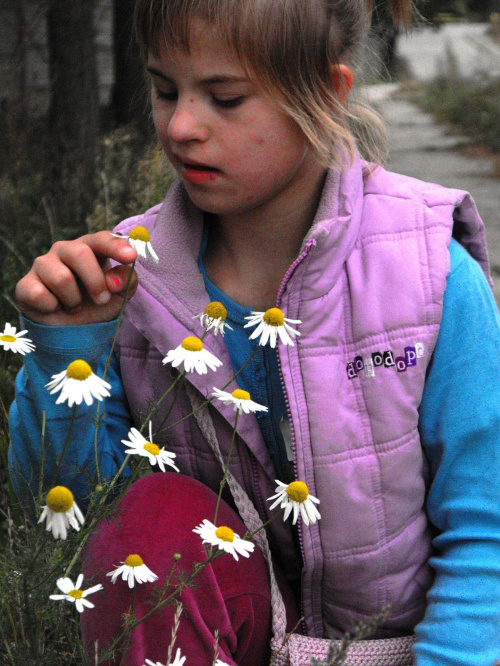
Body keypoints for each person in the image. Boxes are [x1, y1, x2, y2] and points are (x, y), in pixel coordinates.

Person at [8, 0, 500, 664]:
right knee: (154, 517)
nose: (181, 125)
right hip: (212, 640)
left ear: (325, 94)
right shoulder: (129, 276)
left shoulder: (428, 273)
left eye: (226, 97)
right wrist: (69, 351)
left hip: (404, 648)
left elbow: (485, 527)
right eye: (163, 89)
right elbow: (88, 517)